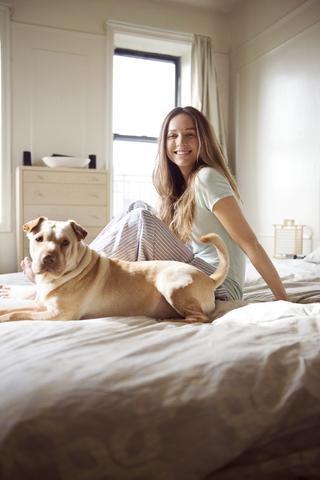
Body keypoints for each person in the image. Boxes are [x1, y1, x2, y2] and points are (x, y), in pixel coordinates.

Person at [16, 106, 290, 303]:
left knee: (141, 222)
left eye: (190, 134)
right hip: (194, 270)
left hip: (219, 283)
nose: (180, 143)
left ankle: (70, 269)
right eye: (172, 136)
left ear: (202, 139)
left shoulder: (207, 177)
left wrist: (285, 301)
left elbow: (250, 243)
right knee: (137, 207)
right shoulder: (181, 187)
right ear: (165, 142)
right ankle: (73, 267)